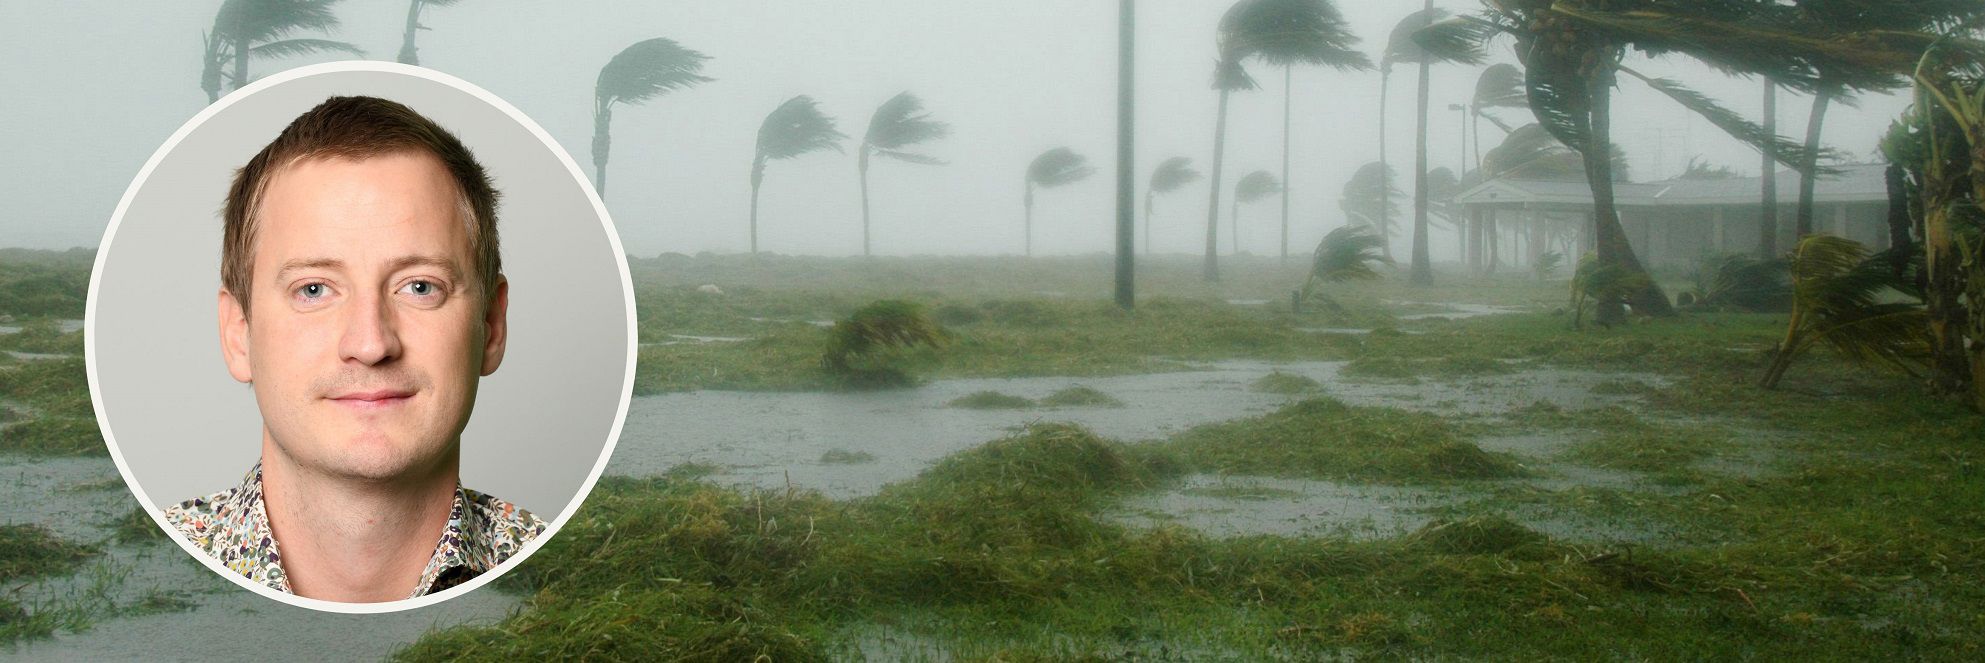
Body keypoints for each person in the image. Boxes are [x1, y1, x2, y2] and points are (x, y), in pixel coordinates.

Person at [165, 95, 544, 603]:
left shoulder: (569, 578)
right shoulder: (155, 566)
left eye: (420, 287)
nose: (370, 344)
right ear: (238, 334)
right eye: (314, 289)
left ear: (492, 326)